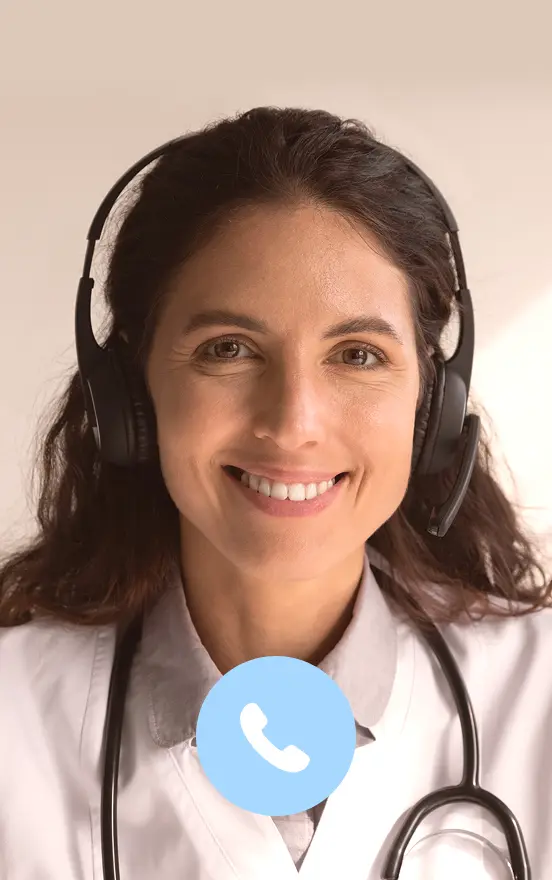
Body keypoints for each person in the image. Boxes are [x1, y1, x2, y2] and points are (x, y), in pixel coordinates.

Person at [0, 106, 550, 880]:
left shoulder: (541, 695)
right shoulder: (12, 718)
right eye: (229, 349)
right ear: (127, 393)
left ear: (434, 409)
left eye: (357, 355)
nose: (294, 423)